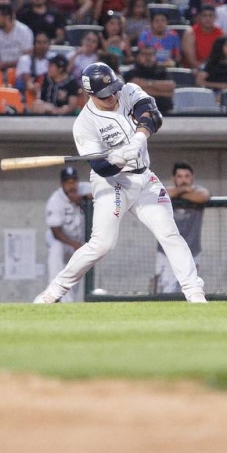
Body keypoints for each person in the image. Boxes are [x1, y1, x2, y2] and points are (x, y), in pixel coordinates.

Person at [34, 63, 207, 304]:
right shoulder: (84, 124)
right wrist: (116, 160)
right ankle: (54, 291)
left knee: (169, 233)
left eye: (114, 89)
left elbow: (152, 115)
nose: (113, 96)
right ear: (90, 95)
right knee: (102, 244)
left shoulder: (128, 91)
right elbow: (100, 167)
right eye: (105, 94)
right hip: (112, 181)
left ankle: (194, 292)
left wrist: (139, 138)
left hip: (144, 178)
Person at [152, 162, 209, 295]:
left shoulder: (199, 191)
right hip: (167, 251)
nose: (183, 180)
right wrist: (183, 191)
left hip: (191, 251)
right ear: (174, 179)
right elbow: (157, 194)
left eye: (187, 176)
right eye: (180, 176)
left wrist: (178, 194)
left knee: (190, 289)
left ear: (192, 177)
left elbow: (203, 196)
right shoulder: (165, 191)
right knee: (166, 290)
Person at [43, 166, 91, 302]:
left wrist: (82, 198)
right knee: (56, 249)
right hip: (61, 240)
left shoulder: (83, 188)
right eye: (68, 182)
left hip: (77, 242)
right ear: (62, 184)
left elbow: (104, 190)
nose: (72, 185)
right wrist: (75, 245)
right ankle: (53, 292)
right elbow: (56, 232)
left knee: (73, 274)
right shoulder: (55, 200)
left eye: (74, 181)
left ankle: (68, 303)